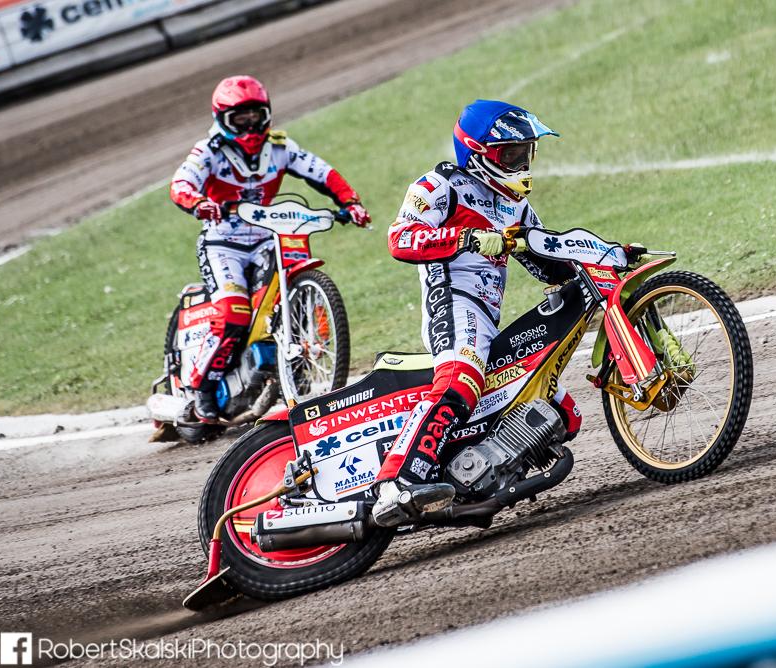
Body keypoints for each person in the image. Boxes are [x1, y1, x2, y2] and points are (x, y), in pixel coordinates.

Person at [371, 99, 582, 527]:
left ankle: (480, 473)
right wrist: (466, 239)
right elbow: (399, 239)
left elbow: (548, 262)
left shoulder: (516, 206)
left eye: (525, 153)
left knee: (562, 412)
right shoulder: (440, 185)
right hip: (452, 303)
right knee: (461, 381)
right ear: (479, 153)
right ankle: (395, 484)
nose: (521, 164)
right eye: (511, 155)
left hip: (487, 319)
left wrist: (598, 259)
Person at [170, 75, 370, 422]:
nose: (250, 126)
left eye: (256, 116)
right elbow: (181, 184)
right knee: (234, 313)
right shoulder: (209, 151)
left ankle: (293, 368)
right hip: (222, 244)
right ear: (222, 119)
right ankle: (202, 387)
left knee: (284, 300)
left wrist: (350, 202)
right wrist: (199, 202)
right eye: (240, 119)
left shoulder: (281, 146)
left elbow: (323, 172)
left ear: (267, 114)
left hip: (268, 237)